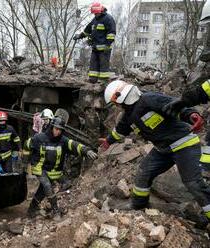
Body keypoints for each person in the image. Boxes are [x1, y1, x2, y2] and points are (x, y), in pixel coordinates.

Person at [100, 80, 210, 227]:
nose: (116, 107)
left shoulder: (149, 99)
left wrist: (192, 115)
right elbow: (120, 131)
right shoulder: (128, 116)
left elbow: (176, 105)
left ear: (120, 98)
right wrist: (108, 141)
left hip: (184, 144)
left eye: (115, 103)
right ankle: (139, 206)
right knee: (143, 173)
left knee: (193, 183)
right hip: (163, 150)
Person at [25, 116, 98, 219]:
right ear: (51, 127)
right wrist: (27, 162)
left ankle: (31, 210)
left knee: (42, 190)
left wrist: (86, 150)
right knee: (47, 187)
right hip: (40, 169)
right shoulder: (39, 138)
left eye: (60, 130)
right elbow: (27, 145)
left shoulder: (63, 141)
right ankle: (56, 210)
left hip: (54, 172)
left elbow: (75, 145)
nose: (58, 132)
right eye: (56, 129)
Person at [73, 1, 116, 83]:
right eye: (94, 13)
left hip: (104, 49)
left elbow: (111, 34)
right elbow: (87, 30)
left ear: (101, 11)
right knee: (93, 66)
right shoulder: (95, 20)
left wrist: (108, 45)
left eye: (96, 13)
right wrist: (80, 36)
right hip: (95, 48)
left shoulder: (108, 19)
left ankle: (103, 83)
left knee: (103, 67)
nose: (95, 15)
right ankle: (92, 82)